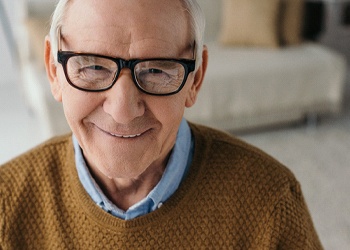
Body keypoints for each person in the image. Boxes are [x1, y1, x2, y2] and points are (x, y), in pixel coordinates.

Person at [0, 0, 323, 248]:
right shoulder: (6, 202)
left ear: (195, 79)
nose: (123, 111)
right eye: (94, 67)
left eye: (156, 71)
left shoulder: (271, 199)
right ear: (54, 71)